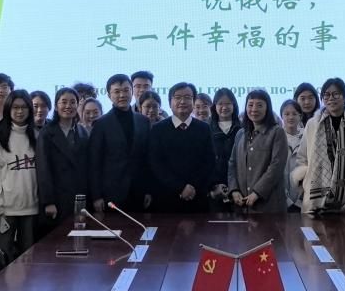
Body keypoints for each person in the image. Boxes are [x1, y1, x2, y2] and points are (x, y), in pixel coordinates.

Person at [293, 77, 345, 214]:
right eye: (326, 95)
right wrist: (304, 179)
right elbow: (302, 157)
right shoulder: (313, 125)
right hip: (316, 200)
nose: (331, 98)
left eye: (336, 94)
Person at [0, 89, 39, 259]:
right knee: (1, 258)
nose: (20, 111)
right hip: (5, 210)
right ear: (8, 109)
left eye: (24, 107)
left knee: (29, 258)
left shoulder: (38, 135)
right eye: (15, 107)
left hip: (31, 208)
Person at [147, 82, 214, 213]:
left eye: (187, 97)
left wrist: (192, 186)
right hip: (166, 199)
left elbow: (209, 162)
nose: (182, 101)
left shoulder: (204, 128)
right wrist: (180, 187)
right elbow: (156, 164)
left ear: (193, 102)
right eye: (177, 97)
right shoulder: (158, 129)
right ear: (170, 102)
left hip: (197, 197)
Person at [88, 74, 151, 212]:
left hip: (139, 192)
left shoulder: (143, 121)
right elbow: (94, 163)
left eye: (126, 90)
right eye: (117, 91)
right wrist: (96, 196)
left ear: (132, 92)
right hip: (111, 193)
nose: (122, 95)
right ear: (109, 95)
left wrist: (148, 190)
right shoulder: (101, 124)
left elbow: (146, 159)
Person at [228, 89, 289, 213]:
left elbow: (276, 166)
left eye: (259, 105)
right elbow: (232, 164)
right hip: (243, 206)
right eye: (250, 105)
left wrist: (257, 192)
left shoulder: (277, 132)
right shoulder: (240, 134)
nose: (254, 109)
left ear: (267, 108)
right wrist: (234, 190)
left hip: (269, 206)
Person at [37, 87, 90, 222]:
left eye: (73, 102)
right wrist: (48, 201)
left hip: (79, 196)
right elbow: (43, 168)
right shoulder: (47, 132)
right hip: (57, 198)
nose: (68, 106)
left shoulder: (82, 132)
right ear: (56, 106)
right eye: (64, 102)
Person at [209, 87, 241, 209]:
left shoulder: (242, 129)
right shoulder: (206, 129)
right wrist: (213, 186)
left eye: (228, 103)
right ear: (214, 106)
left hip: (239, 189)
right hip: (214, 190)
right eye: (220, 104)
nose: (224, 107)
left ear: (234, 105)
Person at [279, 99, 306, 211]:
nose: (291, 117)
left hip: (304, 197)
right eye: (286, 114)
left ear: (300, 116)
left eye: (294, 114)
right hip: (281, 198)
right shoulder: (276, 137)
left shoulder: (308, 136)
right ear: (281, 116)